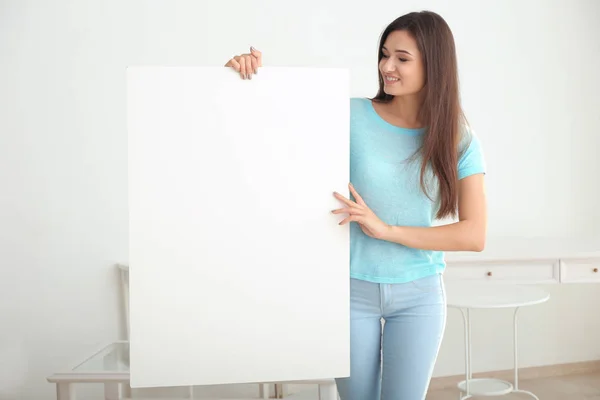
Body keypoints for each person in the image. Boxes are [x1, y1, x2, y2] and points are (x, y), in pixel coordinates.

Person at [224, 10, 486, 400]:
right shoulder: (349, 115)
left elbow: (474, 234)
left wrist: (388, 230)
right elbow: (276, 127)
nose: (386, 66)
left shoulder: (456, 137)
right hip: (349, 291)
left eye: (402, 58)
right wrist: (251, 77)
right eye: (384, 54)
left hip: (420, 295)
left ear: (434, 65)